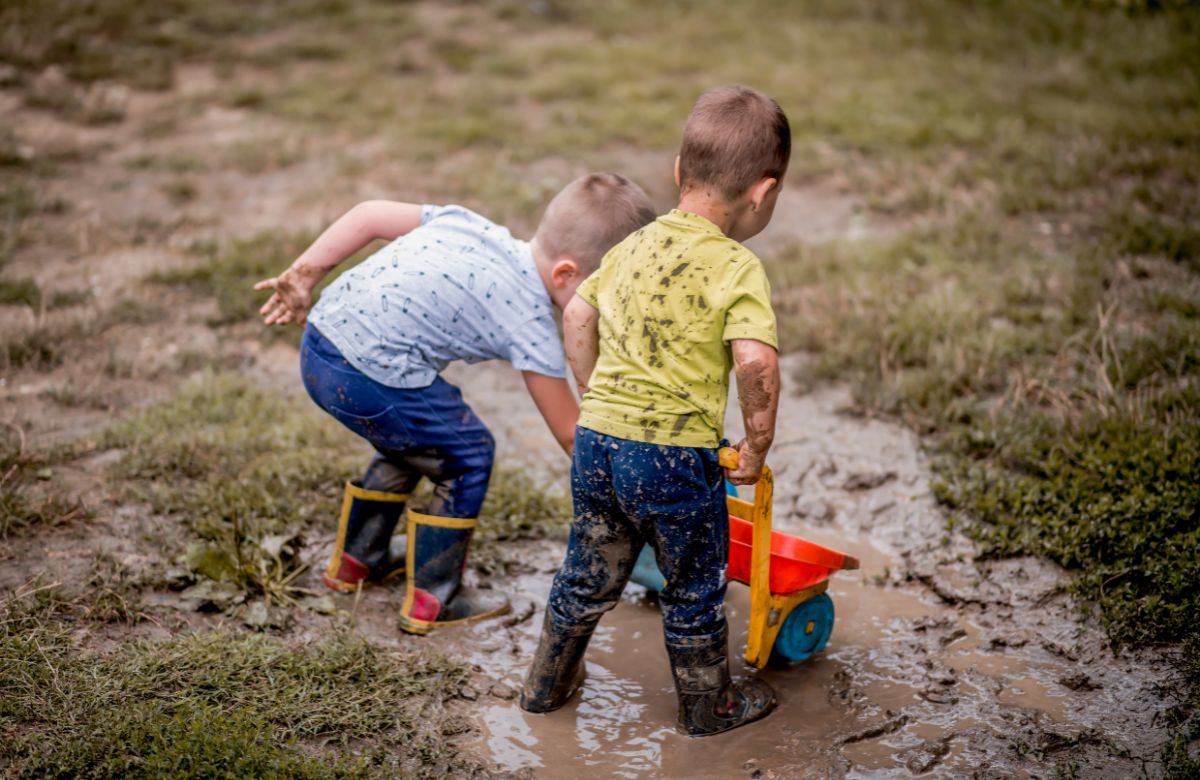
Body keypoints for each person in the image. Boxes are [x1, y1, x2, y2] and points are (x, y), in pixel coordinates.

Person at [255, 173, 657, 635]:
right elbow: (572, 434)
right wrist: (633, 488)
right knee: (468, 453)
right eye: (604, 298)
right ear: (566, 274)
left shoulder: (466, 223)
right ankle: (434, 599)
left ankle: (356, 562)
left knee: (417, 438)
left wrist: (304, 275)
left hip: (320, 343)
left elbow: (367, 215)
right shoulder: (530, 321)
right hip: (365, 371)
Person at [520, 85, 788, 736]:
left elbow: (579, 312)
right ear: (763, 192)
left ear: (677, 171)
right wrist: (754, 448)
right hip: (672, 457)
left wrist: (594, 395)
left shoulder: (629, 248)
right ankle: (708, 707)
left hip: (599, 445)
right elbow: (755, 364)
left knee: (587, 571)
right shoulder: (736, 265)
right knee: (693, 585)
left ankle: (544, 688)